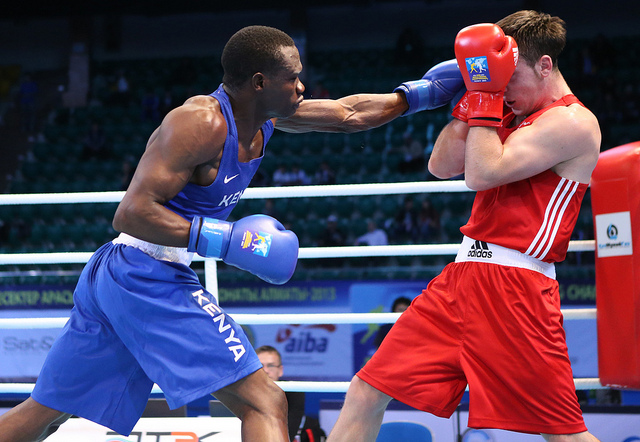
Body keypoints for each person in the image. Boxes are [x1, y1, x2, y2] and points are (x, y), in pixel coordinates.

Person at [0, 25, 466, 442]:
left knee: (47, 411)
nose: (302, 86)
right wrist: (224, 241)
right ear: (259, 82)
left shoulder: (264, 116)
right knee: (263, 400)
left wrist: (421, 94)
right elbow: (131, 212)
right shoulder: (199, 123)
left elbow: (349, 114)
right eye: (293, 78)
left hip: (124, 276)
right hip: (144, 271)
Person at [327, 11, 601, 442]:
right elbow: (440, 166)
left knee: (562, 433)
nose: (503, 89)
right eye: (496, 78)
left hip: (517, 291)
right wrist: (470, 100)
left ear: (545, 65)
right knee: (367, 389)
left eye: (510, 78)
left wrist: (486, 96)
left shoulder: (573, 123)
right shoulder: (506, 110)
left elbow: (481, 173)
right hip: (460, 279)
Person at [256, 345, 325, 442]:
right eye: (260, 366)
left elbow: (289, 433)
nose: (266, 370)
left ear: (280, 370)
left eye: (271, 365)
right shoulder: (240, 391)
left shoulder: (294, 391)